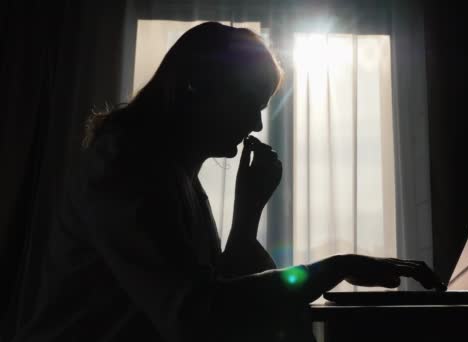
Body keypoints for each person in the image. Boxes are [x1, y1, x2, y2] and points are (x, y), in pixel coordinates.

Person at [11, 22, 445, 342]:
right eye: (249, 103)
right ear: (195, 88)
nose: (257, 121)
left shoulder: (169, 169)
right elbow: (195, 316)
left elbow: (206, 290)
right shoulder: (126, 166)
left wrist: (246, 218)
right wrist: (338, 267)